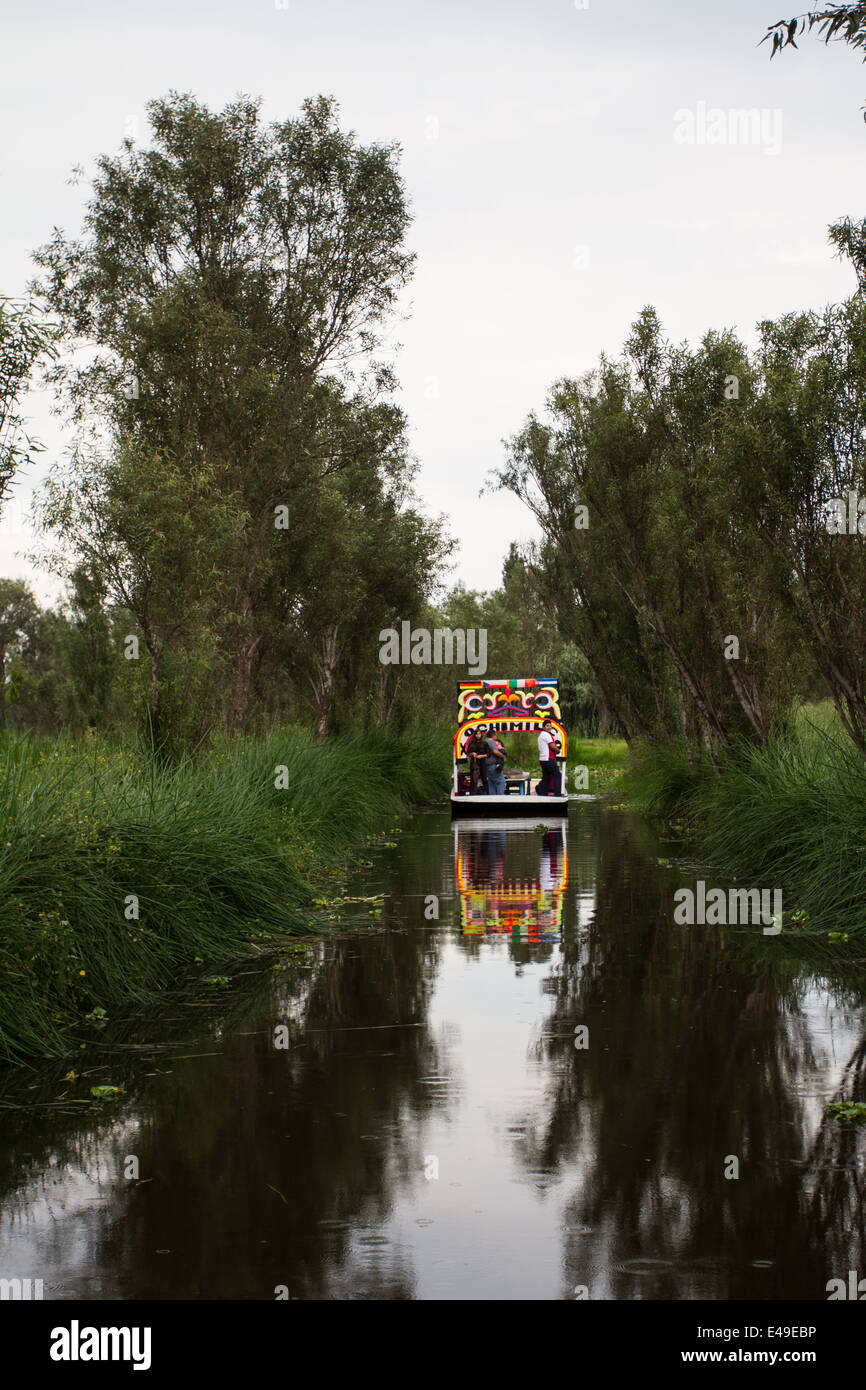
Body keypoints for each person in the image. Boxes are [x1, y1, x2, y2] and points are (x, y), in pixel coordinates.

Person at [537, 719, 558, 796]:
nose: (549, 727)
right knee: (557, 776)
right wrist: (558, 750)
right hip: (548, 759)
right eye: (547, 726)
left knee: (546, 777)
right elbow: (552, 745)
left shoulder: (540, 736)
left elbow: (539, 749)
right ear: (543, 727)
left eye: (550, 726)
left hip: (542, 759)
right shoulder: (546, 735)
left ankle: (543, 794)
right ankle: (557, 794)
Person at [466, 727, 490, 794]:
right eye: (476, 734)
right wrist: (472, 753)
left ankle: (487, 793)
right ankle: (472, 793)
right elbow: (468, 753)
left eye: (479, 734)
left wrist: (482, 756)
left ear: (481, 734)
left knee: (484, 778)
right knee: (473, 778)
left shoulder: (484, 743)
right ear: (474, 735)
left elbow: (489, 754)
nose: (478, 735)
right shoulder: (471, 742)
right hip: (474, 761)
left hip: (482, 761)